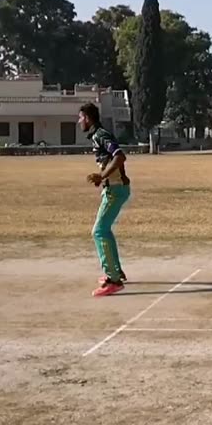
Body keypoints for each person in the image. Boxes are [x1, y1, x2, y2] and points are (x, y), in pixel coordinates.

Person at [78, 103, 131, 296]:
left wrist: (102, 176)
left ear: (88, 119)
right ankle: (116, 272)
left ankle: (114, 280)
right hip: (114, 188)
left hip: (116, 190)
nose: (79, 121)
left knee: (99, 231)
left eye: (80, 118)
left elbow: (120, 157)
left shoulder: (101, 135)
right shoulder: (96, 136)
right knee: (104, 230)